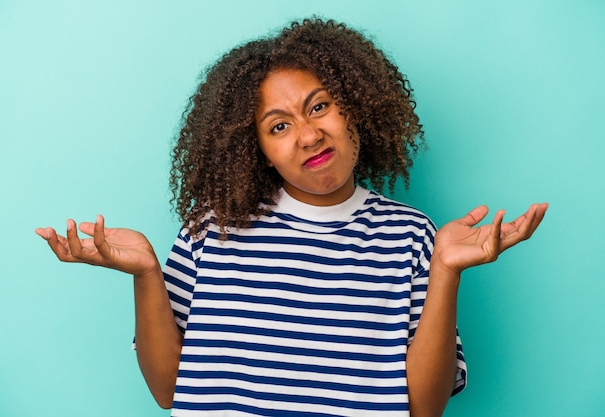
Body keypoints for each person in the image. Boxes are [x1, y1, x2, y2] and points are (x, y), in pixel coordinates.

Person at [35, 18, 547, 417]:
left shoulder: (412, 237)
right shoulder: (211, 231)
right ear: (256, 149)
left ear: (356, 107)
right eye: (279, 125)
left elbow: (423, 407)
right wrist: (148, 275)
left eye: (319, 106)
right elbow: (170, 390)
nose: (308, 134)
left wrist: (446, 271)